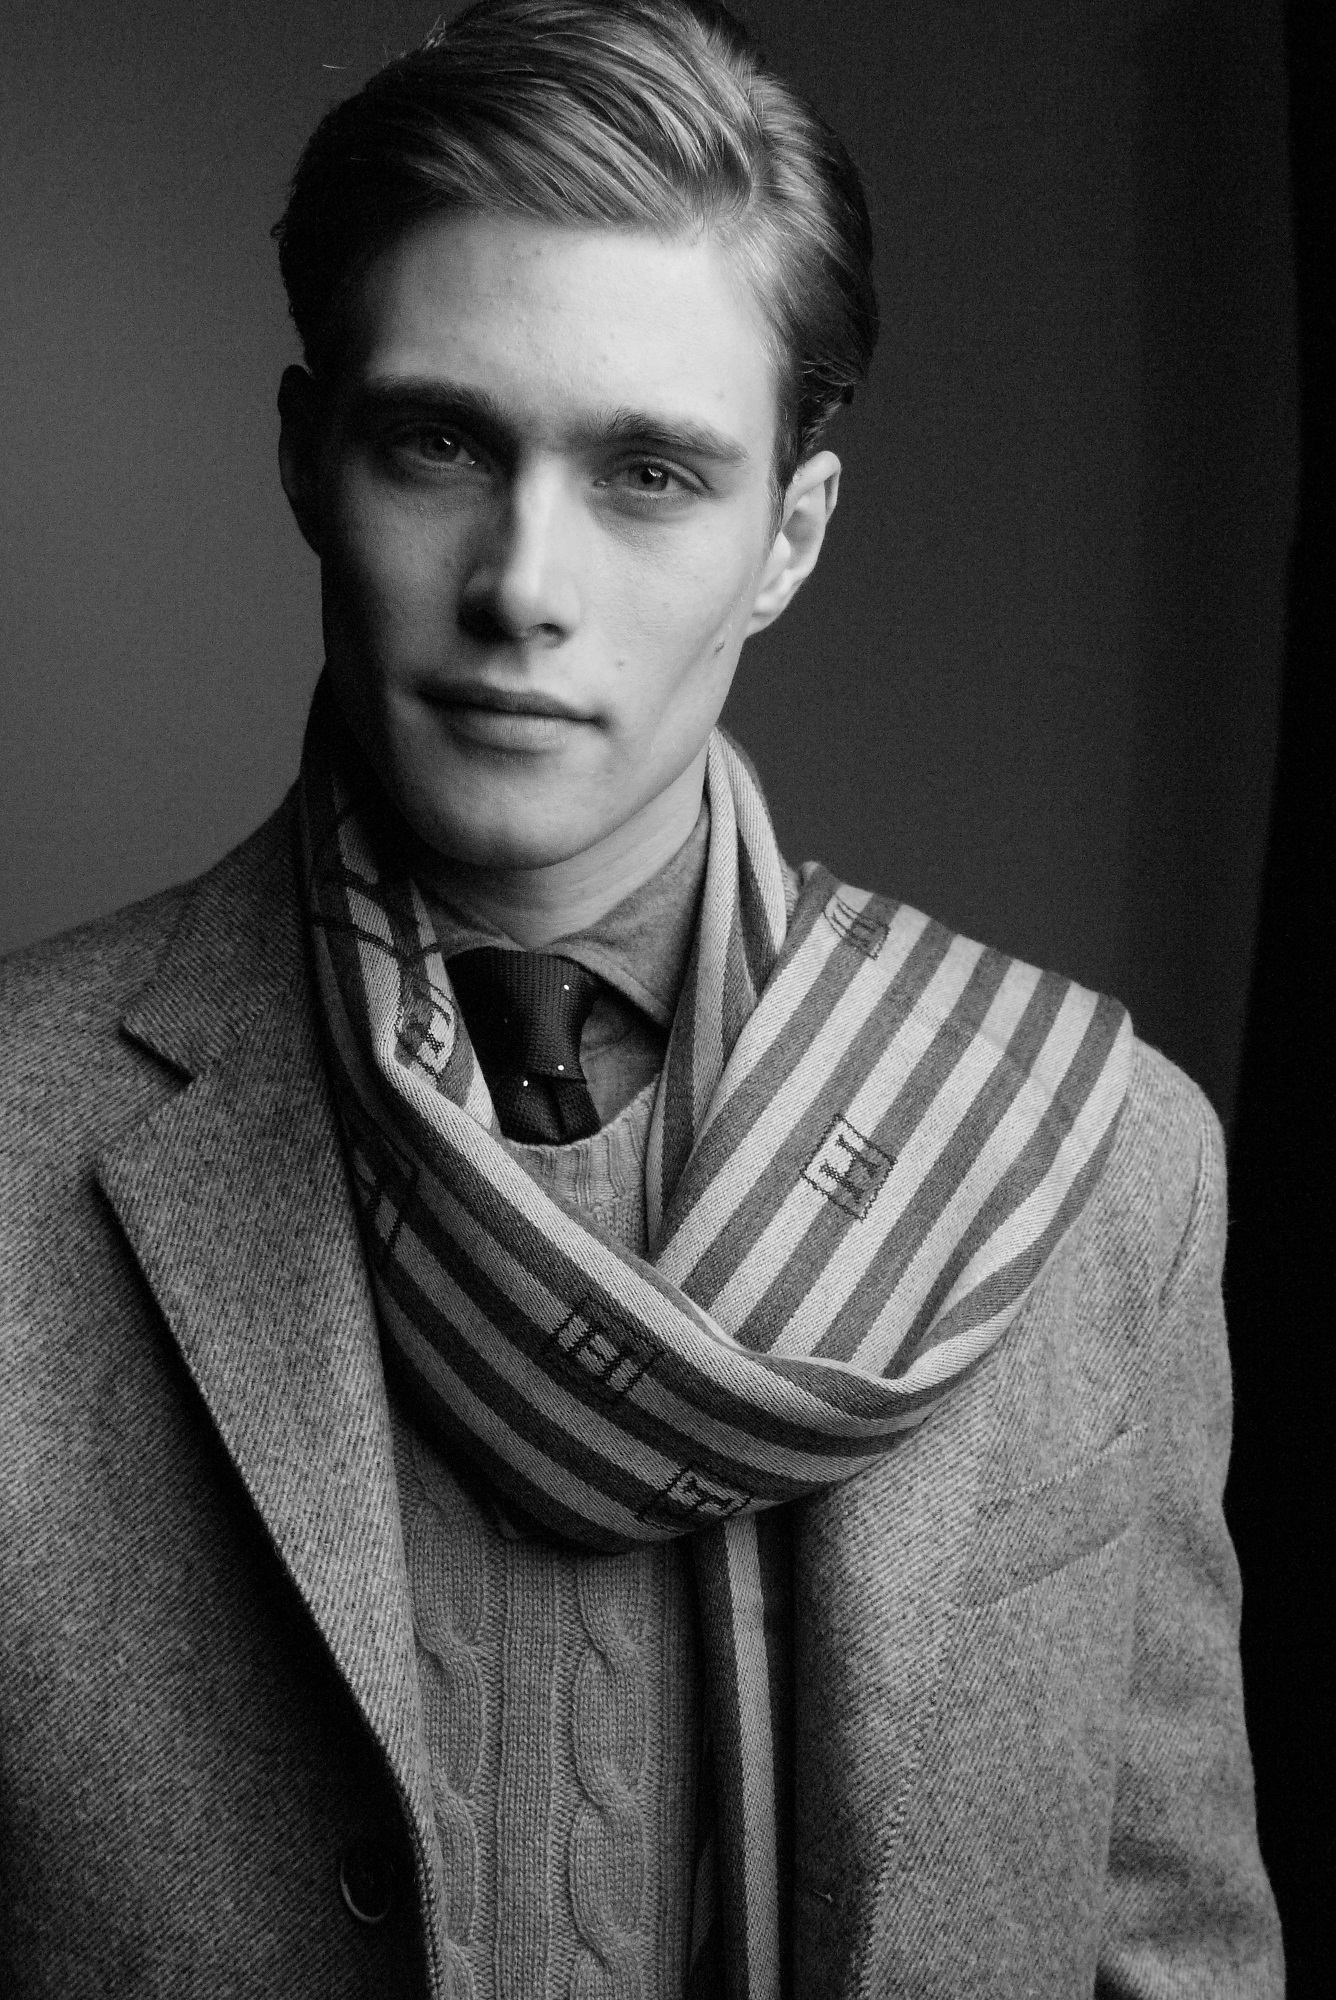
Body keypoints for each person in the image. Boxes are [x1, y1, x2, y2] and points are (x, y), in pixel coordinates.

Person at [0, 3, 1283, 1995]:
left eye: (650, 473)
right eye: (439, 442)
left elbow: (1171, 1945)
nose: (523, 581)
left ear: (787, 537)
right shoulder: (13, 1146)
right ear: (306, 458)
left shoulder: (1102, 1170)